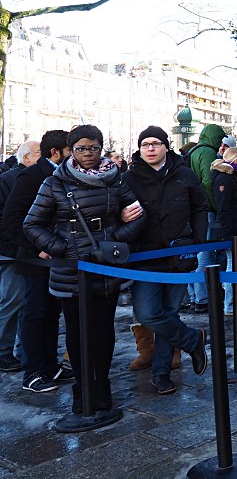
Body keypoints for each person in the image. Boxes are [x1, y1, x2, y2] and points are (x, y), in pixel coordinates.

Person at [23, 125, 146, 413]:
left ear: (101, 148)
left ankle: (102, 386)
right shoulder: (55, 182)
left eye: (93, 148)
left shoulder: (115, 179)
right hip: (70, 269)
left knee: (104, 330)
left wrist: (114, 239)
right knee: (77, 332)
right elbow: (31, 224)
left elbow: (139, 215)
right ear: (71, 150)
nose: (87, 154)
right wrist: (61, 248)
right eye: (80, 148)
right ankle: (83, 390)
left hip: (105, 265)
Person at [123, 126, 209, 394]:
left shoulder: (184, 174)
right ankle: (192, 339)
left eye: (156, 143)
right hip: (144, 256)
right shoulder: (129, 178)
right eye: (145, 144)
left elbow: (200, 206)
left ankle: (161, 373)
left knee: (170, 313)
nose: (150, 148)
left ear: (166, 146)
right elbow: (117, 209)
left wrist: (197, 239)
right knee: (149, 314)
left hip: (178, 254)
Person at [2, 130, 74, 393]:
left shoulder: (66, 173)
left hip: (58, 256)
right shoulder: (31, 175)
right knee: (35, 312)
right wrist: (38, 247)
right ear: (55, 152)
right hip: (36, 259)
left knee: (52, 312)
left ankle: (49, 364)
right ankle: (32, 372)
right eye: (70, 149)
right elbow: (12, 219)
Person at [0, 140, 41, 372]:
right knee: (13, 301)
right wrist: (18, 245)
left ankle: (20, 349)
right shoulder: (9, 180)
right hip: (13, 252)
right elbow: (7, 220)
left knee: (26, 303)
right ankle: (3, 351)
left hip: (25, 250)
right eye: (39, 153)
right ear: (26, 158)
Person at [210, 146, 237, 315]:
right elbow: (224, 208)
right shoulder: (225, 179)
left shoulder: (236, 177)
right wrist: (227, 234)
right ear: (236, 160)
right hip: (235, 231)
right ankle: (230, 305)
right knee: (234, 266)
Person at [188, 124, 226, 313]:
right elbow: (208, 181)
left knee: (197, 253)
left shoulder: (194, 150)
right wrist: (216, 206)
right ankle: (204, 298)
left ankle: (196, 297)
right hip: (207, 211)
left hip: (194, 210)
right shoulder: (207, 152)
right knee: (207, 254)